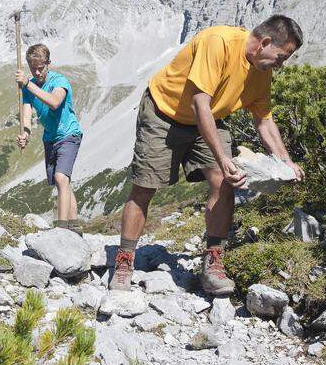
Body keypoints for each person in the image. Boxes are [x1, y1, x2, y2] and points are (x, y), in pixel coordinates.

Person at [110, 15, 305, 294]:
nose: (281, 65)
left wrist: (286, 161)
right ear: (264, 42)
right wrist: (223, 158)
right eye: (281, 56)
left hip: (210, 117)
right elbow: (200, 102)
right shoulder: (219, 42)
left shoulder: (262, 72)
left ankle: (213, 262)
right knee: (145, 186)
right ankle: (124, 262)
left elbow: (263, 120)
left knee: (225, 182)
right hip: (164, 112)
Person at [15, 44, 84, 231]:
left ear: (49, 64)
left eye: (41, 68)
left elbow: (54, 102)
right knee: (61, 182)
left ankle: (61, 229)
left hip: (69, 134)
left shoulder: (60, 81)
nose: (37, 72)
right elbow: (27, 114)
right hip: (50, 138)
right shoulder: (28, 88)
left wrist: (27, 84)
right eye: (33, 69)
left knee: (61, 178)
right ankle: (74, 226)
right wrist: (26, 134)